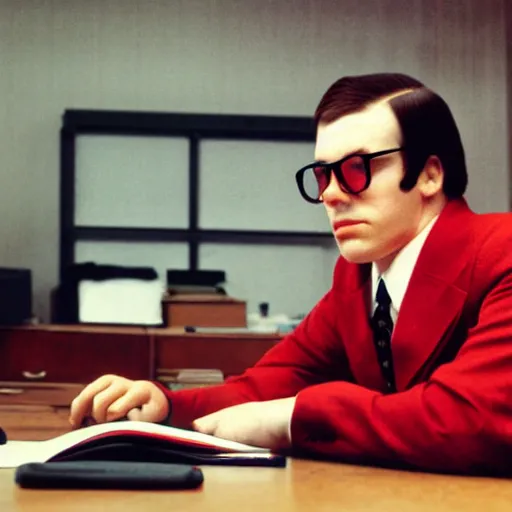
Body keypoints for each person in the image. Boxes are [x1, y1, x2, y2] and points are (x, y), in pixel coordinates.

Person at [69, 73, 512, 474]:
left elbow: (468, 422)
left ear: (430, 174)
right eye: (323, 176)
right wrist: (165, 405)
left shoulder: (501, 253)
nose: (332, 196)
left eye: (357, 170)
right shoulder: (357, 278)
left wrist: (291, 418)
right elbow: (272, 382)